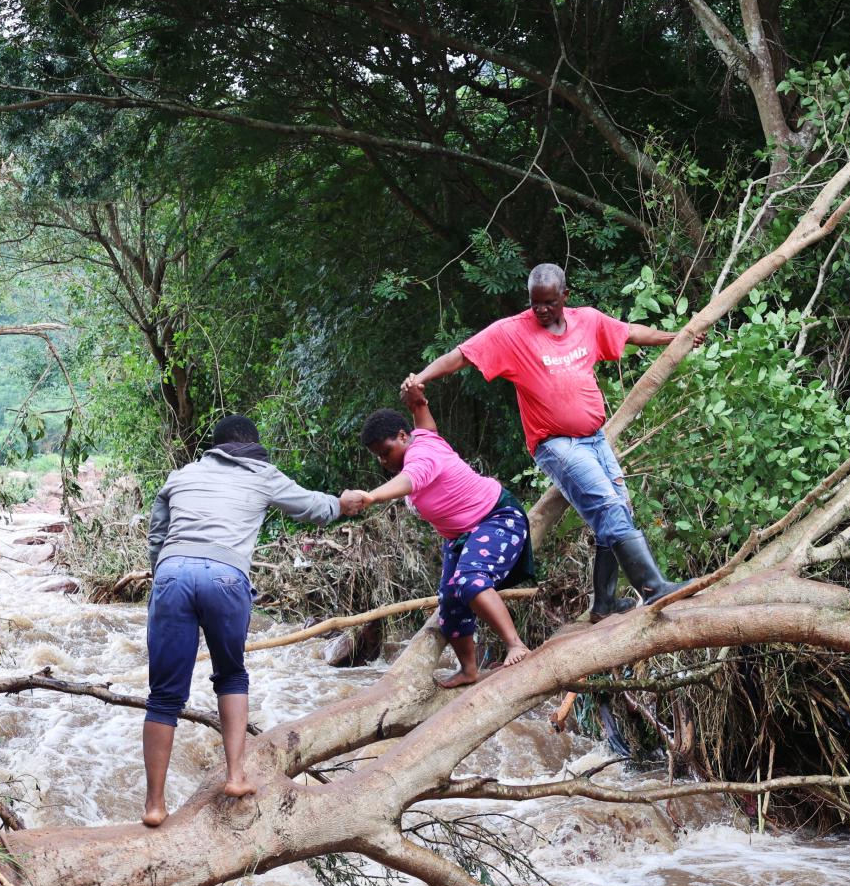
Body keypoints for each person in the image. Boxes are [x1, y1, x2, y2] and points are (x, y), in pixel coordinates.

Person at [402, 263, 702, 618]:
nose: (541, 310)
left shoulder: (587, 320)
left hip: (594, 440)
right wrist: (419, 379)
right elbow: (461, 356)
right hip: (556, 445)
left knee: (620, 510)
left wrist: (677, 337)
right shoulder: (511, 333)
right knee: (608, 507)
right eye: (535, 303)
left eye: (548, 302)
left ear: (564, 297)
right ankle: (653, 589)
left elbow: (631, 332)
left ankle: (604, 604)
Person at [142, 414, 362, 827]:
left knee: (164, 697)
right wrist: (343, 503)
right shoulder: (262, 473)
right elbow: (313, 507)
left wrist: (166, 573)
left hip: (171, 573)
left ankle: (154, 806)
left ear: (216, 446)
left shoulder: (182, 475)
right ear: (251, 446)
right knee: (230, 676)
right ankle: (235, 777)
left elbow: (158, 535)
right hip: (226, 577)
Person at [348, 384, 533, 687]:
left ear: (403, 437)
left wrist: (370, 497)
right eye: (378, 457)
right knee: (449, 601)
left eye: (386, 452)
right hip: (460, 535)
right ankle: (469, 670)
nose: (383, 461)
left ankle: (515, 644)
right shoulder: (422, 436)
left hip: (496, 518)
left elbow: (411, 479)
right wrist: (417, 401)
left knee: (470, 581)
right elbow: (426, 422)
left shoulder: (421, 454)